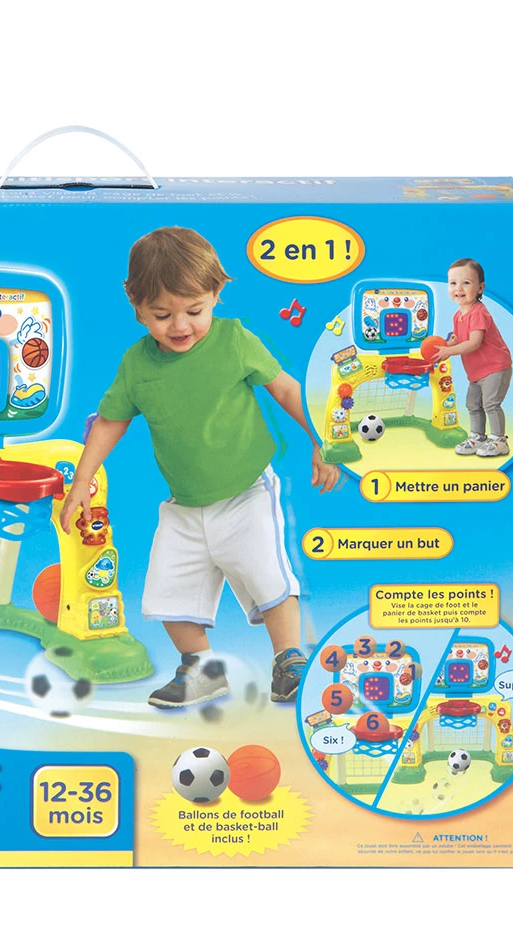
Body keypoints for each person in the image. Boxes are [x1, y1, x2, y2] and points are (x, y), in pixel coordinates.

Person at [59, 226, 339, 708]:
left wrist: (323, 440)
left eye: (194, 311)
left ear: (215, 295)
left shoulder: (234, 340)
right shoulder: (137, 364)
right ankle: (202, 669)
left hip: (247, 492)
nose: (180, 326)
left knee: (268, 576)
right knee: (167, 591)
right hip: (184, 505)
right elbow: (110, 421)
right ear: (136, 306)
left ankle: (289, 660)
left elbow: (286, 389)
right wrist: (82, 479)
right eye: (162, 315)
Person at [434, 259, 513, 457]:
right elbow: (460, 339)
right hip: (476, 371)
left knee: (490, 404)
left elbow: (474, 343)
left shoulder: (479, 313)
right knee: (473, 403)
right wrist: (446, 345)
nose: (458, 288)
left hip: (495, 367)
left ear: (480, 288)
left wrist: (449, 352)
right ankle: (478, 437)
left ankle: (499, 440)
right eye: (453, 283)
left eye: (466, 283)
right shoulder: (457, 316)